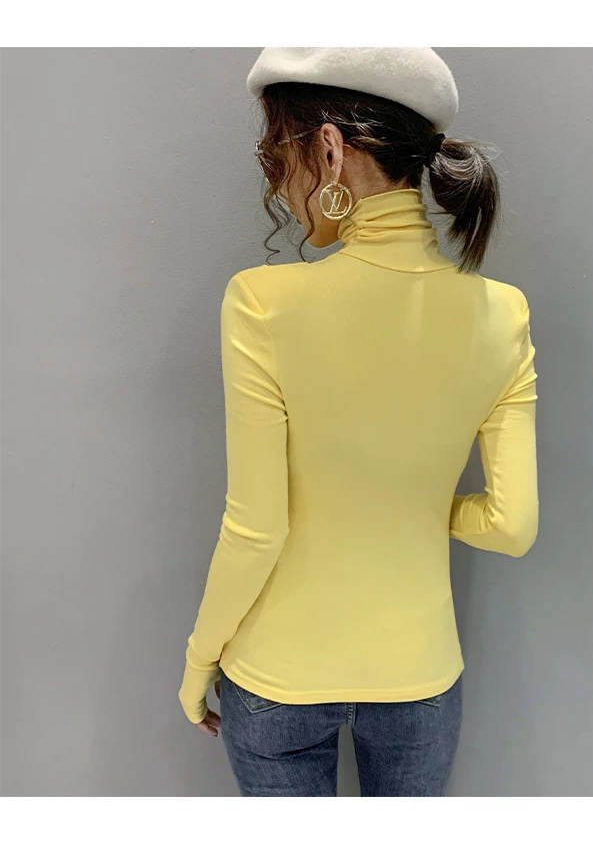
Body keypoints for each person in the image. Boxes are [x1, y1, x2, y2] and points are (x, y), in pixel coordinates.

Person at [178, 47, 539, 797]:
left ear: (329, 149)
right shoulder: (504, 314)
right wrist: (415, 500)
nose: (279, 186)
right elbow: (512, 526)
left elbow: (256, 527)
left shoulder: (262, 302)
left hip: (276, 679)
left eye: (276, 156)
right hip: (420, 678)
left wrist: (198, 658)